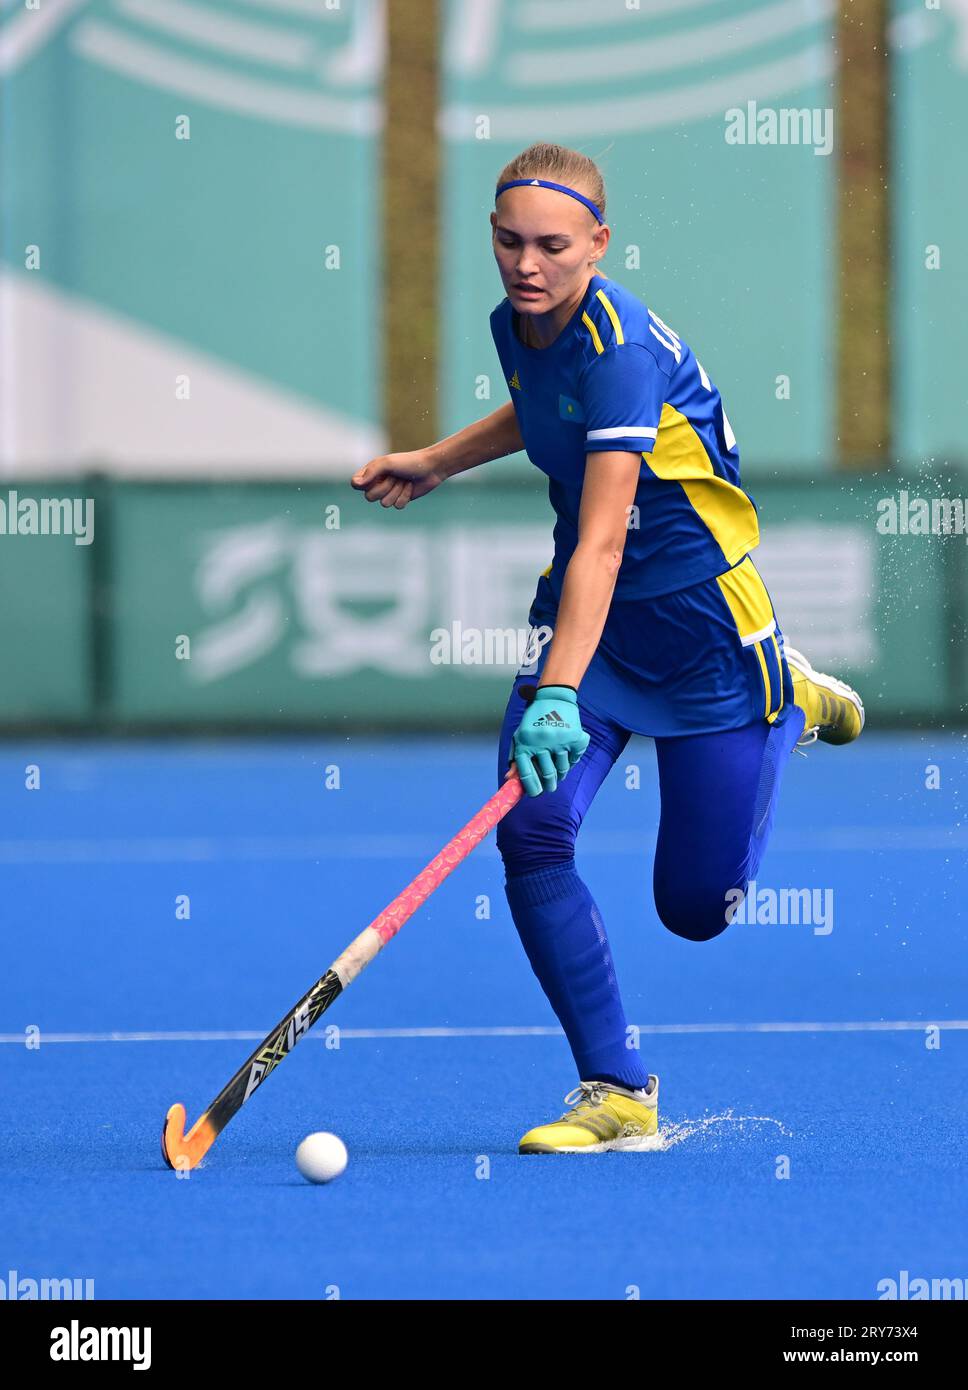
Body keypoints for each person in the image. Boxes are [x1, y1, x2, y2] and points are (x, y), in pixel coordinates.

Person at [352, 141, 863, 1155]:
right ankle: (615, 1086)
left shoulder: (624, 346)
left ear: (598, 243)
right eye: (506, 242)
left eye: (550, 245)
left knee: (696, 908)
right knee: (532, 832)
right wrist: (440, 460)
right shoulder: (520, 325)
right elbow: (550, 411)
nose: (524, 264)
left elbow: (600, 533)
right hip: (584, 623)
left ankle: (789, 700)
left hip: (704, 633)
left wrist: (555, 695)